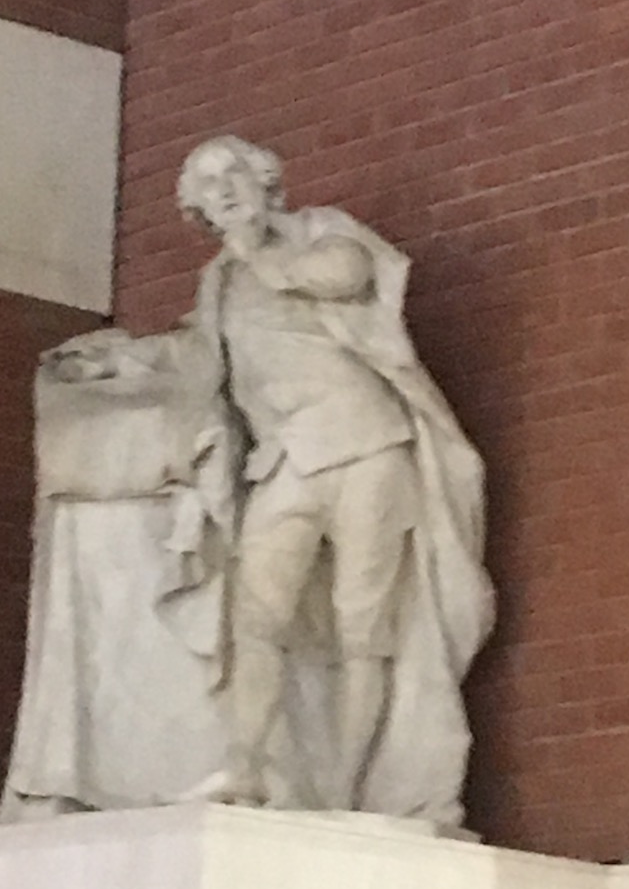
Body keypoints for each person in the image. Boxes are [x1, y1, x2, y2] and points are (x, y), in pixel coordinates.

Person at [178, 136, 495, 818]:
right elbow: (206, 376)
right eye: (207, 184)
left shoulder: (320, 231)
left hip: (367, 441)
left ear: (265, 181)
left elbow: (346, 275)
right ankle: (245, 765)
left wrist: (258, 249)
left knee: (363, 620)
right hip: (285, 458)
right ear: (197, 207)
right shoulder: (217, 283)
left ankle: (351, 787)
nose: (223, 188)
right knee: (254, 612)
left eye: (232, 172)